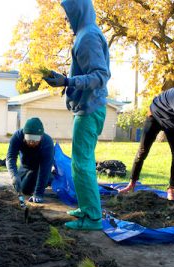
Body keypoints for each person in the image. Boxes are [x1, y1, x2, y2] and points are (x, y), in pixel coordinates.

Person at [43, 0, 111, 230]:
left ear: (78, 10)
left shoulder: (88, 36)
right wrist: (66, 80)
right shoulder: (86, 33)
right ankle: (86, 207)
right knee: (80, 163)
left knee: (82, 164)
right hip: (87, 108)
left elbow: (100, 75)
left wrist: (69, 81)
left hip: (90, 109)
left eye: (68, 12)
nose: (66, 18)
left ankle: (92, 218)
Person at [6, 117, 54, 204]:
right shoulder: (17, 137)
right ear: (24, 136)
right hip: (25, 166)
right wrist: (14, 175)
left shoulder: (48, 142)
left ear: (41, 137)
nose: (32, 143)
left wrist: (38, 193)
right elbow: (10, 158)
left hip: (39, 167)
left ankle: (50, 178)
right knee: (21, 188)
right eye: (29, 140)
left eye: (35, 141)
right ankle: (39, 179)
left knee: (31, 186)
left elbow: (45, 169)